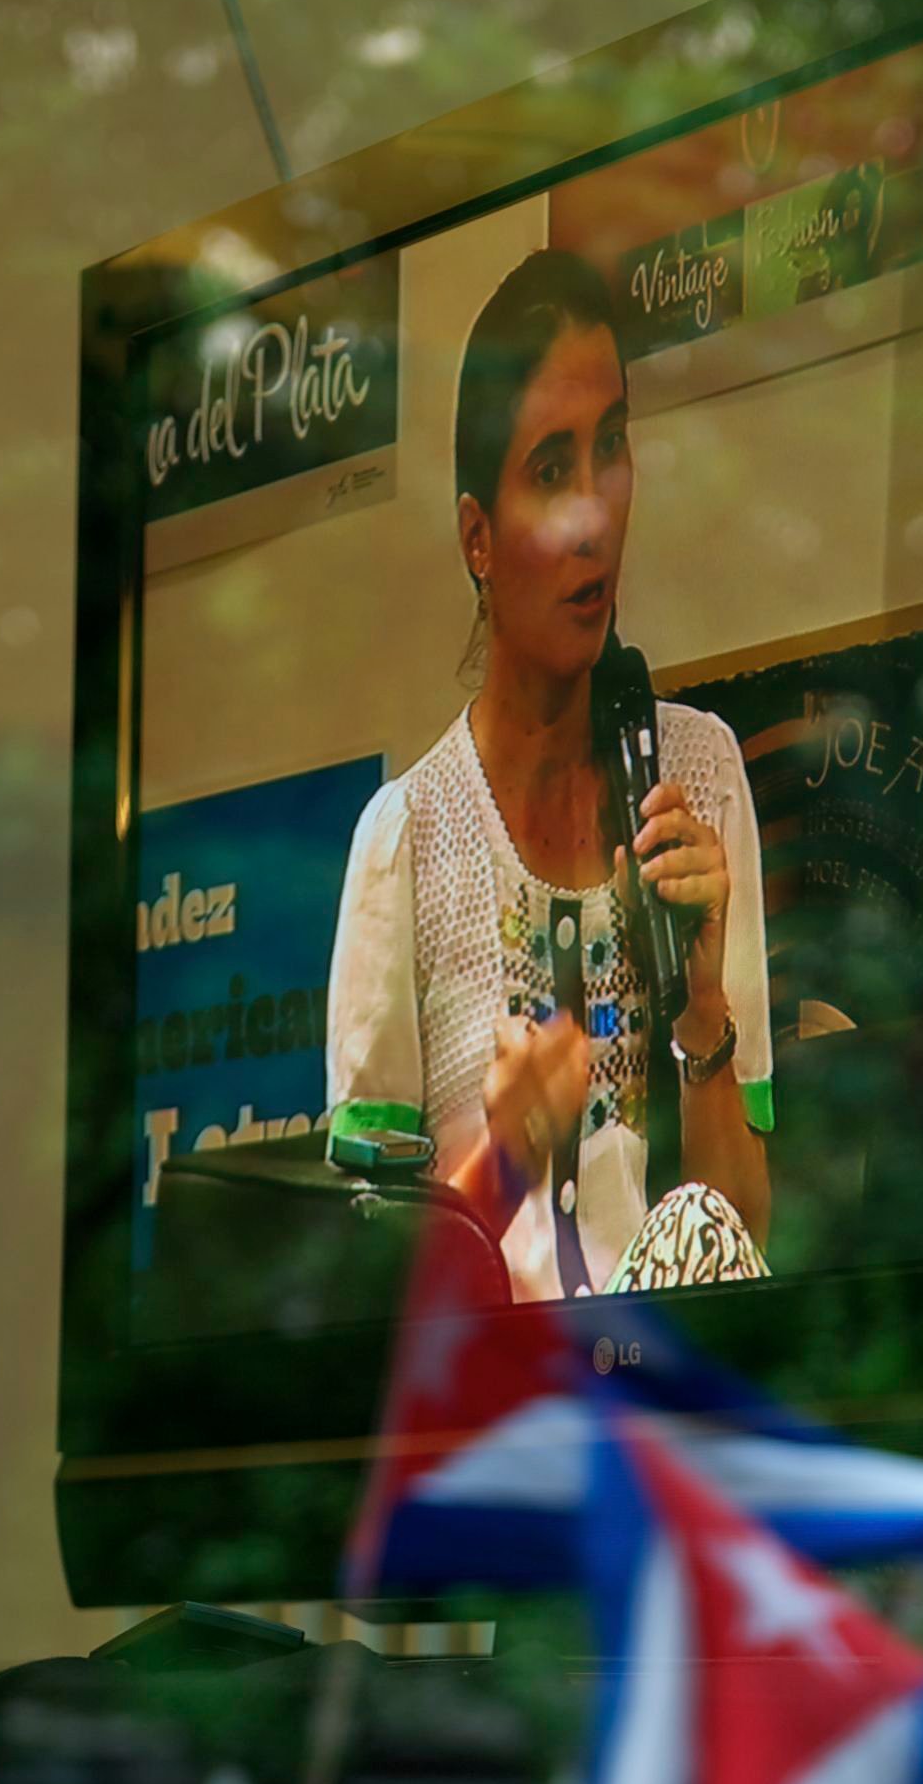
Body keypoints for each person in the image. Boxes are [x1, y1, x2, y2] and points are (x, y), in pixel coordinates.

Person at [322, 245, 774, 1303]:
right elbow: (365, 1308)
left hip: (665, 1420)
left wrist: (702, 1013)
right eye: (548, 470)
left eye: (610, 447)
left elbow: (745, 1239)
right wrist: (500, 1164)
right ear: (477, 537)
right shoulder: (406, 842)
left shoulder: (699, 778)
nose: (592, 516)